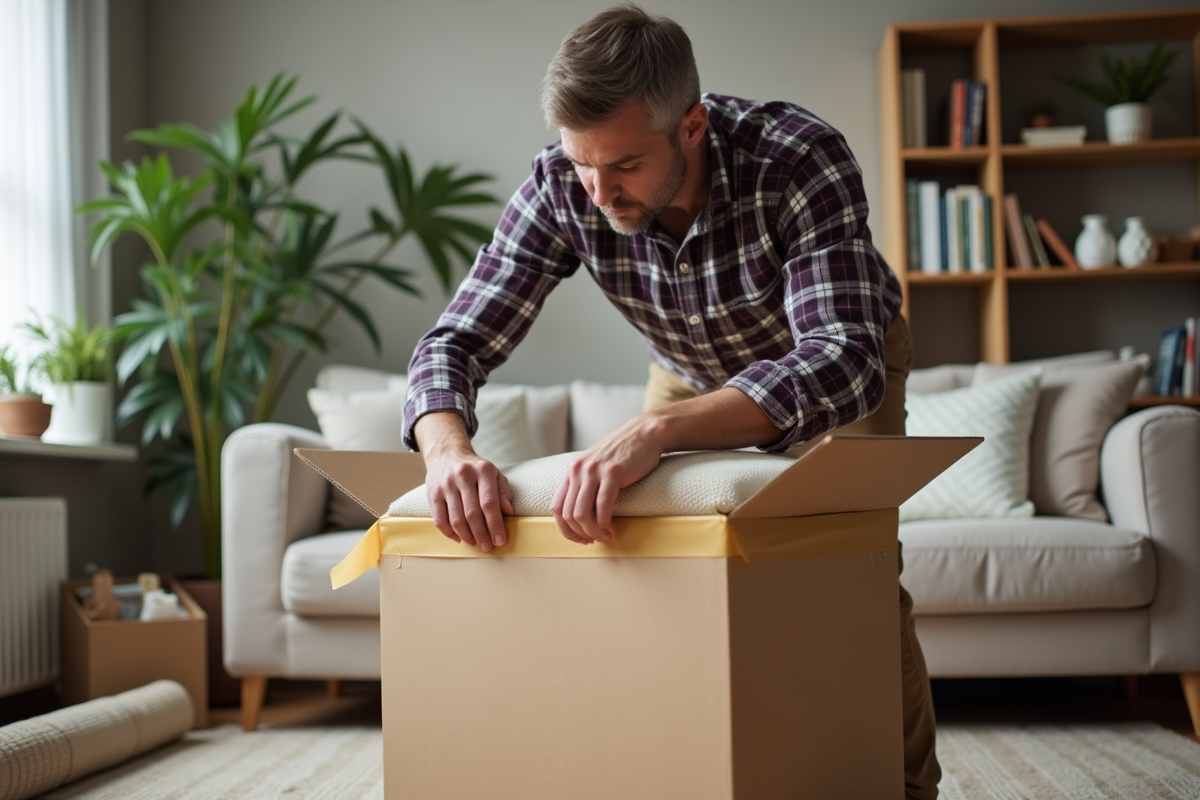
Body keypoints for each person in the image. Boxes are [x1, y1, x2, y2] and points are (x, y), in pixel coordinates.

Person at [402, 5, 937, 798]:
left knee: (854, 579)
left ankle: (909, 791)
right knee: (651, 565)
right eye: (582, 163)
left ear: (691, 126)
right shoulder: (565, 181)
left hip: (836, 366)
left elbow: (842, 360)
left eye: (623, 165)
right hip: (687, 371)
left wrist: (657, 430)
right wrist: (447, 452)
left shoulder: (797, 157)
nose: (598, 192)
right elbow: (453, 342)